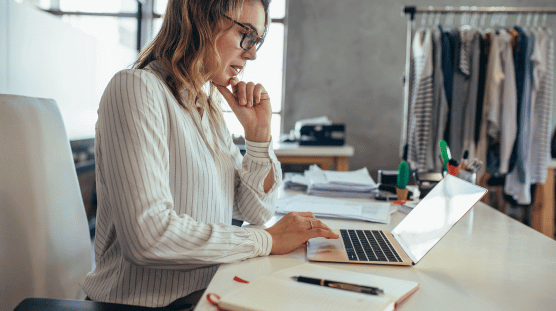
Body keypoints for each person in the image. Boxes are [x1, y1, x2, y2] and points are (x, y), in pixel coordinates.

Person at [81, 0, 339, 308]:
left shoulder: (207, 108)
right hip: (143, 306)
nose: (252, 53)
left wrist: (259, 137)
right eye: (247, 35)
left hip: (206, 294)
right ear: (201, 18)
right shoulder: (136, 89)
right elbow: (148, 237)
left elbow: (255, 211)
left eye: (257, 41)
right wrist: (266, 241)